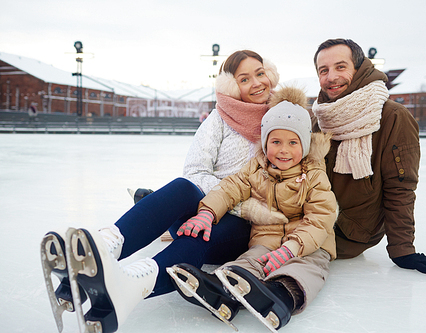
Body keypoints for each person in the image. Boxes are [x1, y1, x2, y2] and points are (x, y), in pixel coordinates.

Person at [40, 50, 282, 333]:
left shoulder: (281, 119)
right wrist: (210, 205)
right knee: (182, 188)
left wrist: (225, 206)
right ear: (231, 86)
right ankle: (105, 249)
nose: (256, 83)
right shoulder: (219, 119)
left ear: (271, 74)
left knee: (198, 235)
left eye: (260, 73)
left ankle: (132, 283)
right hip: (204, 206)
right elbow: (194, 171)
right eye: (244, 78)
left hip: (241, 223)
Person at [168, 86, 337, 331]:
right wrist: (207, 212)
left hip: (309, 244)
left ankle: (280, 296)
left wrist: (291, 248)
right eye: (276, 141)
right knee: (247, 262)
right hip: (266, 241)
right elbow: (229, 189)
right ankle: (222, 291)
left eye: (293, 142)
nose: (284, 150)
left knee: (307, 268)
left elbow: (321, 218)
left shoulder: (314, 175)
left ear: (305, 144)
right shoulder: (256, 169)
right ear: (265, 141)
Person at [311, 38, 426, 275]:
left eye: (340, 67)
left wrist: (402, 248)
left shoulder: (392, 116)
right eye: (323, 70)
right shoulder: (320, 117)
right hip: (312, 219)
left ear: (359, 69)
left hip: (350, 231)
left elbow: (400, 188)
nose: (330, 77)